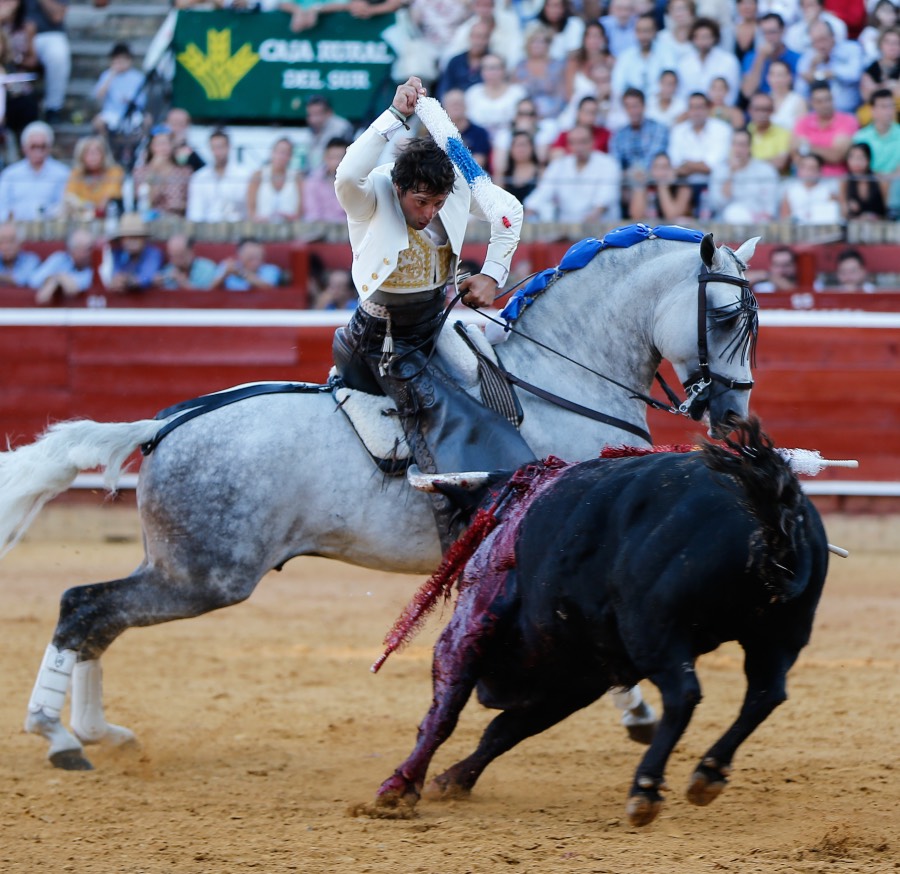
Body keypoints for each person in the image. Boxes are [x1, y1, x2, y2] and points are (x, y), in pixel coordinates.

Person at [332, 75, 535, 545]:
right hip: (381, 338)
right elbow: (345, 175)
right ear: (399, 187)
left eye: (438, 203)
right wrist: (394, 117)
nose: (429, 213)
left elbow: (509, 213)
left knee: (493, 380)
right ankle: (454, 526)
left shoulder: (455, 191)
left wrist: (492, 275)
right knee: (444, 413)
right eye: (421, 202)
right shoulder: (371, 195)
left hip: (432, 325)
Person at [524, 123, 622, 222]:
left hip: (601, 225)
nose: (578, 147)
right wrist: (529, 210)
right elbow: (543, 191)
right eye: (573, 142)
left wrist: (593, 217)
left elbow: (606, 197)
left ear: (593, 142)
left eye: (583, 142)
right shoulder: (559, 164)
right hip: (566, 225)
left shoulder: (608, 163)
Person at [708, 128, 781, 221]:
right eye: (734, 144)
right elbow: (718, 204)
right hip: (726, 223)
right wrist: (731, 173)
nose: (738, 149)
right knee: (732, 212)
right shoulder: (719, 170)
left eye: (742, 145)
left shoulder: (766, 170)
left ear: (750, 147)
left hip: (758, 222)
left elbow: (770, 207)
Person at [0, 120, 68, 219]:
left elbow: (65, 207)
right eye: (33, 146)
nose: (38, 151)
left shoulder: (62, 173)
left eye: (43, 146)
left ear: (50, 147)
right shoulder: (10, 174)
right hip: (16, 226)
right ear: (24, 148)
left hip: (50, 226)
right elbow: (2, 208)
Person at [795, 19, 864, 113]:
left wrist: (832, 73)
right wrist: (812, 67)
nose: (820, 46)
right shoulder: (807, 58)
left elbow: (855, 74)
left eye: (823, 39)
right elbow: (799, 92)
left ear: (833, 36)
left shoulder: (851, 48)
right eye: (815, 41)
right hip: (818, 115)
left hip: (849, 111)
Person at [791, 80, 858, 176]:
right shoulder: (802, 122)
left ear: (833, 99)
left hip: (836, 178)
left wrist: (807, 147)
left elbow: (837, 155)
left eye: (828, 100)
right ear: (812, 102)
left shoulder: (848, 120)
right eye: (819, 101)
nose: (825, 105)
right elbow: (796, 156)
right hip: (807, 178)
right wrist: (825, 151)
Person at [185, 128, 249, 223]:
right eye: (214, 148)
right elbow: (195, 212)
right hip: (207, 228)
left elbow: (247, 209)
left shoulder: (244, 175)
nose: (218, 152)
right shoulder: (199, 177)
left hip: (237, 228)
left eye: (221, 147)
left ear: (229, 147)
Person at [611, 12, 677, 102]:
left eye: (647, 31)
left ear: (655, 32)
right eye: (640, 31)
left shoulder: (666, 53)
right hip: (632, 106)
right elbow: (618, 87)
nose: (643, 36)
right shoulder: (625, 56)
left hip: (660, 104)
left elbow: (671, 81)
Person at [23, 0, 70, 124]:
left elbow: (57, 16)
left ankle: (53, 107)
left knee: (57, 55)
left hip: (49, 34)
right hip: (14, 31)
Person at [131, 124, 193, 217]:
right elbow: (145, 202)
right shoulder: (140, 172)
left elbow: (191, 203)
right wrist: (154, 171)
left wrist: (178, 205)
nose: (163, 148)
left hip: (176, 219)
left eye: (167, 143)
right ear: (151, 146)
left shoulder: (184, 171)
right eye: (159, 144)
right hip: (149, 220)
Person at [677, 17, 742, 105]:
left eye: (706, 37)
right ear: (693, 39)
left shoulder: (729, 61)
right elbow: (681, 93)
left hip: (720, 110)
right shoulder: (684, 62)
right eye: (698, 37)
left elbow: (732, 94)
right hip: (691, 110)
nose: (702, 41)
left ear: (714, 38)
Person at [739, 12, 801, 101]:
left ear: (783, 30)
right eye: (764, 33)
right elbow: (747, 92)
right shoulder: (751, 57)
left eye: (772, 32)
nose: (768, 37)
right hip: (762, 105)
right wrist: (760, 58)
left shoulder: (797, 58)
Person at [90, 42, 147, 139]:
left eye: (123, 59)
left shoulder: (138, 77)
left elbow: (142, 101)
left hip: (132, 114)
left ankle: (140, 146)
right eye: (116, 59)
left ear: (129, 60)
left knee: (147, 120)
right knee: (97, 122)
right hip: (111, 113)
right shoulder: (107, 75)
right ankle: (105, 145)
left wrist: (130, 101)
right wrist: (111, 75)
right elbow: (98, 96)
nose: (120, 62)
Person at [99, 212, 164, 292]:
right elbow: (113, 275)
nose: (132, 241)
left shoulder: (153, 254)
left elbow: (147, 276)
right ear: (121, 240)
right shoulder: (117, 254)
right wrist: (116, 281)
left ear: (144, 239)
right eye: (128, 237)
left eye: (136, 237)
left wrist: (128, 281)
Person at [62, 135, 124, 218]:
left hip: (108, 217)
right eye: (88, 153)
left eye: (96, 152)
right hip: (81, 218)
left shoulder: (114, 171)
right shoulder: (76, 173)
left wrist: (91, 208)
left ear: (104, 155)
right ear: (81, 156)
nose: (93, 157)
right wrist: (86, 208)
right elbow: (70, 196)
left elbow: (111, 195)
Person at [30, 227, 95, 304]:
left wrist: (59, 279)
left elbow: (73, 288)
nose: (90, 253)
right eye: (87, 249)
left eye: (91, 248)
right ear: (72, 250)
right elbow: (34, 281)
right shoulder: (59, 259)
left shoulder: (95, 264)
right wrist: (54, 279)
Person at [245, 136, 303, 223]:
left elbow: (301, 211)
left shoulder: (297, 178)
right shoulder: (258, 175)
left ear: (290, 157)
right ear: (272, 152)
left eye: (286, 153)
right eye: (279, 152)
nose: (282, 156)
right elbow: (250, 210)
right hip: (262, 228)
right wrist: (257, 219)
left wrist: (291, 218)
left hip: (289, 228)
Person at [435, 17, 492, 100]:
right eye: (477, 36)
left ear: (488, 40)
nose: (479, 41)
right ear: (470, 37)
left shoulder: (493, 63)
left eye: (484, 37)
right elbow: (444, 90)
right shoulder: (455, 61)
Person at [628, 150, 695, 221]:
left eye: (664, 167)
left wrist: (662, 187)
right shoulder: (647, 185)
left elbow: (672, 216)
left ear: (672, 169)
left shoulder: (682, 187)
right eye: (656, 167)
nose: (660, 172)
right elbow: (636, 216)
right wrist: (640, 185)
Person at [779, 152, 842, 222]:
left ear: (819, 171)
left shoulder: (829, 190)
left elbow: (833, 215)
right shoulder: (790, 189)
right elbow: (784, 217)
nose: (807, 172)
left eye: (812, 168)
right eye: (804, 167)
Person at [303, 93, 355, 173]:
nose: (313, 120)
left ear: (329, 113)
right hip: (316, 176)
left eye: (317, 114)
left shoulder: (342, 128)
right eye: (310, 115)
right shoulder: (311, 131)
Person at [302, 136, 348, 223]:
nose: (337, 162)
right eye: (332, 157)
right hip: (320, 229)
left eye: (340, 158)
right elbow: (312, 214)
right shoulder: (313, 181)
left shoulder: (355, 183)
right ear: (325, 157)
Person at [838, 141, 888, 219]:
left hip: (878, 224)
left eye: (860, 158)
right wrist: (848, 205)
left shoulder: (879, 180)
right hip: (854, 223)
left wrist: (873, 217)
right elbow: (843, 212)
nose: (856, 162)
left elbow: (888, 210)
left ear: (868, 160)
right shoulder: (845, 180)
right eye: (852, 157)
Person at [746, 90, 792, 173]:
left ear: (772, 111)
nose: (761, 113)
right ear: (750, 110)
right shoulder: (744, 132)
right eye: (757, 109)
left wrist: (750, 163)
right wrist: (769, 161)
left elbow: (780, 163)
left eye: (766, 109)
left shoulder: (783, 133)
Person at [211, 237, 282, 290]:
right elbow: (210, 290)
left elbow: (269, 288)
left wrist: (241, 273)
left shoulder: (271, 269)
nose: (255, 261)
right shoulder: (227, 265)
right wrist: (224, 275)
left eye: (258, 256)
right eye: (250, 257)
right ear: (239, 255)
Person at [500, 127, 543, 202]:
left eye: (524, 145)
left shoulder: (541, 173)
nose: (521, 149)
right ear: (511, 149)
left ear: (532, 147)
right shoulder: (503, 175)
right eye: (517, 145)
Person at [0, 218, 38, 284]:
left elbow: (21, 280)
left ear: (20, 243)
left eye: (11, 241)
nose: (6, 246)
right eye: (2, 242)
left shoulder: (31, 260)